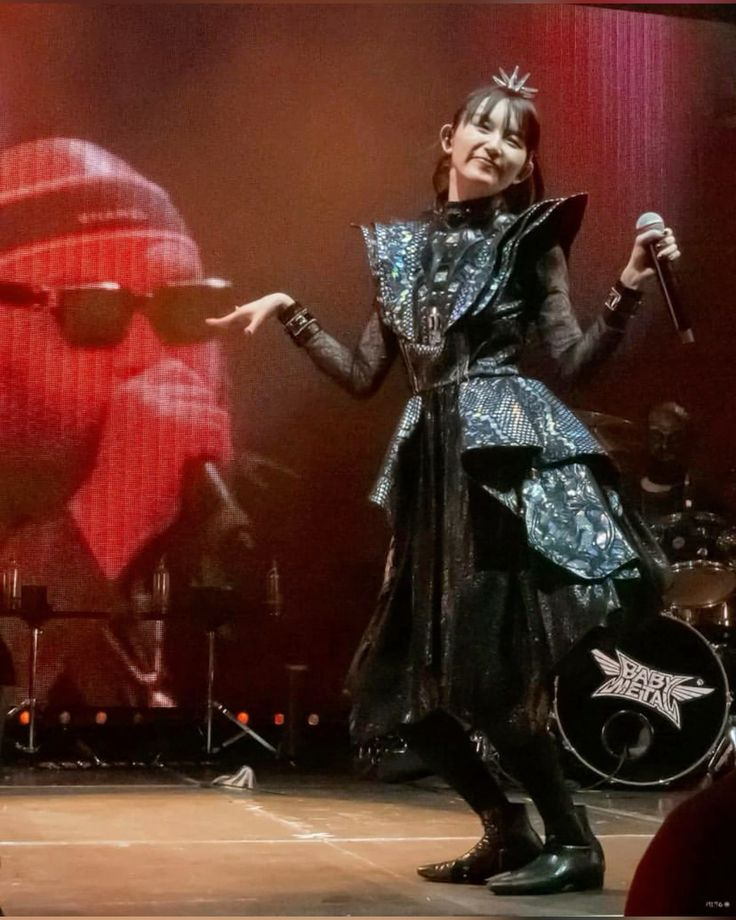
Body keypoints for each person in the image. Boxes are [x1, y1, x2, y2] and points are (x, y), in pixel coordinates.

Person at [207, 66, 680, 896]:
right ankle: (507, 828)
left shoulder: (530, 242)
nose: (497, 146)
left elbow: (574, 361)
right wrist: (290, 311)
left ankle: (576, 843)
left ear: (525, 164)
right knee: (400, 692)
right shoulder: (401, 251)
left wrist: (629, 287)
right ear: (449, 140)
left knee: (486, 679)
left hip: (497, 467)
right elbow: (364, 375)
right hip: (431, 475)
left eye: (517, 140)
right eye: (484, 128)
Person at [0, 137, 248, 712]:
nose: (152, 357)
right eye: (94, 312)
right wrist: (101, 526)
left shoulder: (287, 524)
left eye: (185, 309)